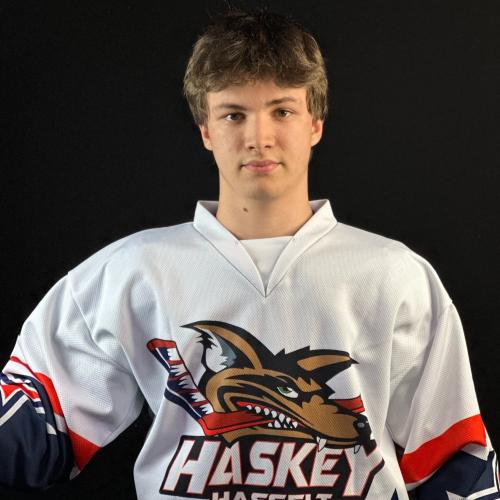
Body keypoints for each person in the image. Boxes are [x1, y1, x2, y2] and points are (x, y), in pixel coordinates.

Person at [1, 7, 498, 500]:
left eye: (282, 111)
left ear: (315, 124)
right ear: (206, 130)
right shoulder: (132, 272)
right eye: (234, 114)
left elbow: (455, 468)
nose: (259, 138)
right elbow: (32, 436)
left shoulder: (393, 276)